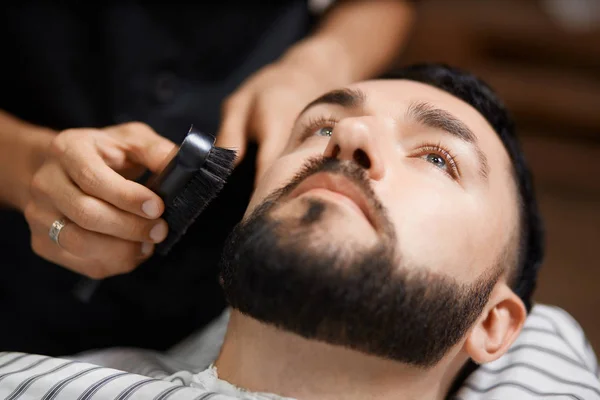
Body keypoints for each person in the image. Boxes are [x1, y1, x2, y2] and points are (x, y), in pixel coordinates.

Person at [2, 63, 599, 400]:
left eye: (438, 158)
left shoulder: (538, 358)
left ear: (494, 323)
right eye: (317, 128)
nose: (350, 138)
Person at [0, 1, 415, 356]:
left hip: (226, 259)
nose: (353, 136)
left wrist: (320, 63)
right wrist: (26, 162)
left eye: (435, 159)